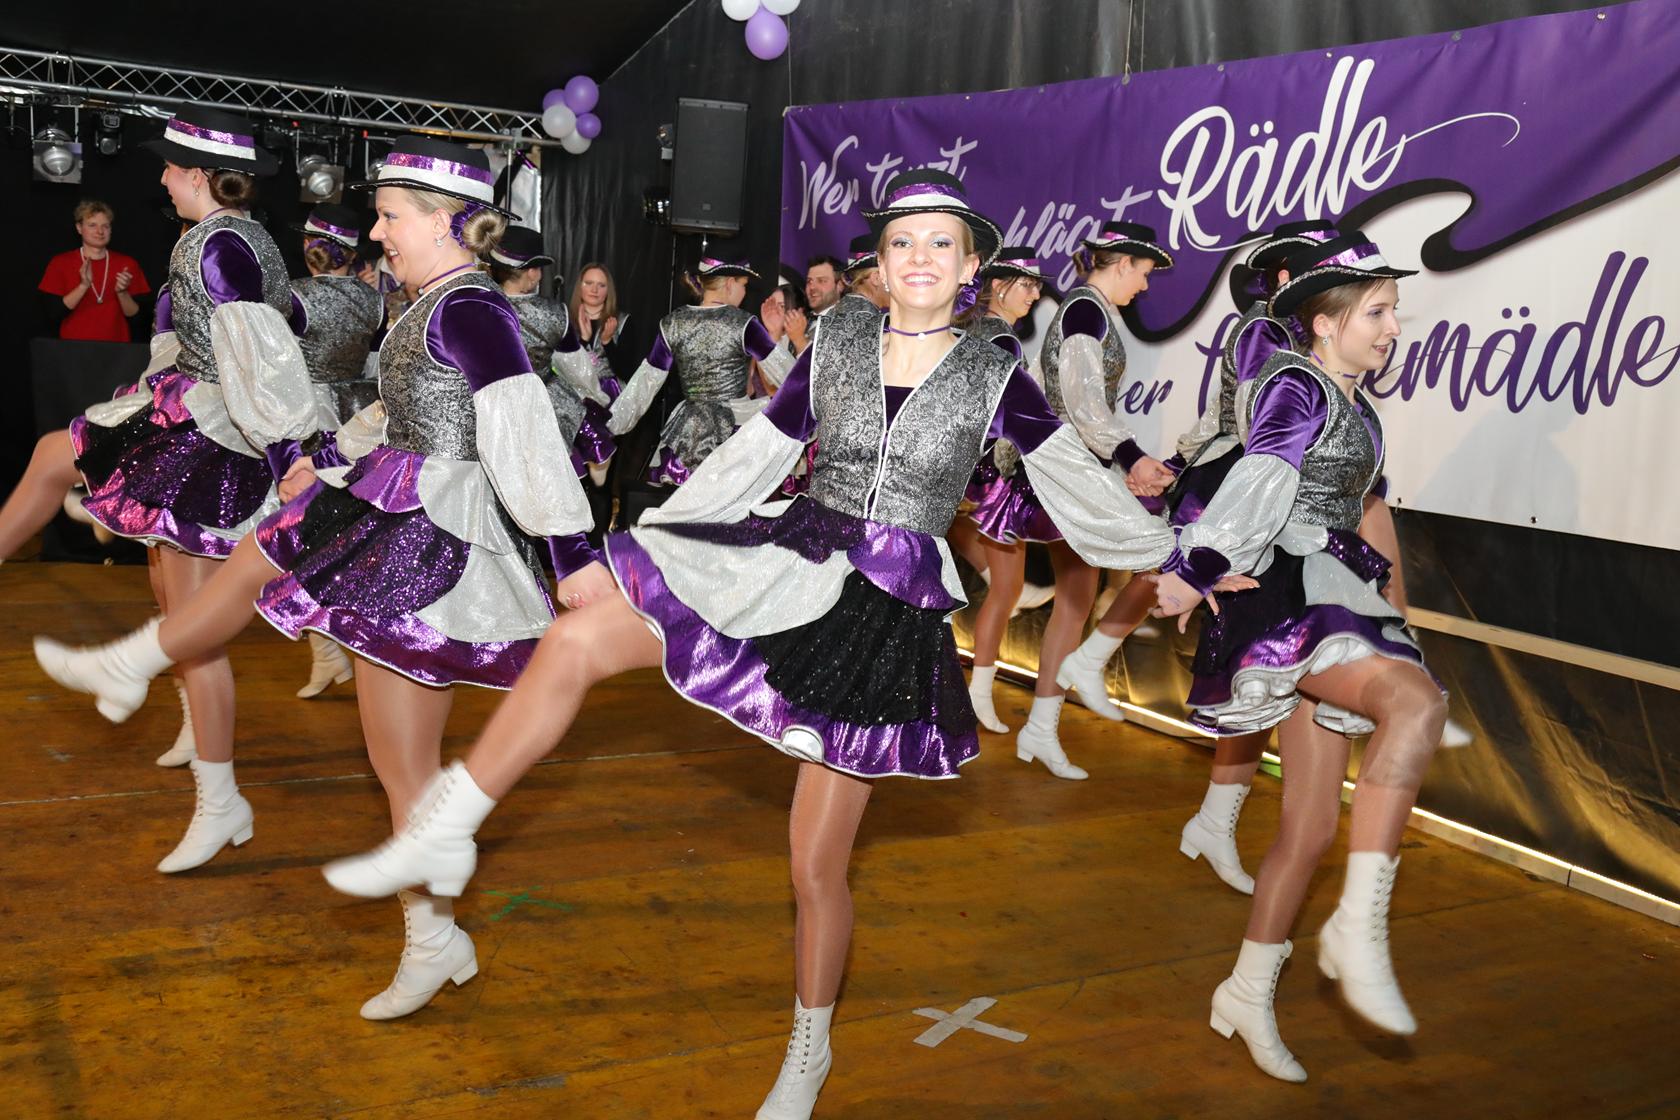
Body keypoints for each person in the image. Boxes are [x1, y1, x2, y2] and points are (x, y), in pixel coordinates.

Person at [314, 168, 1248, 1120]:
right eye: (902, 242)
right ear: (881, 261)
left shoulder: (995, 373)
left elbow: (1072, 479)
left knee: (814, 866)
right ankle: (448, 827)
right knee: (580, 637)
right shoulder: (837, 338)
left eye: (941, 243)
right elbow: (759, 449)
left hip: (882, 612)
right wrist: (668, 537)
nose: (919, 258)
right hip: (792, 553)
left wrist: (1179, 559)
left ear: (971, 267)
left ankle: (810, 1047)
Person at [34, 136, 599, 1022]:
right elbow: (399, 408)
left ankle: (431, 941)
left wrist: (574, 561)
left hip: (434, 537)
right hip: (395, 507)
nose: (376, 233)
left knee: (401, 760)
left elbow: (521, 429)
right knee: (385, 745)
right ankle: (435, 939)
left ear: (445, 223)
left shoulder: (472, 309)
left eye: (390, 216)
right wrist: (324, 453)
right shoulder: (428, 303)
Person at [1152, 232, 1445, 1082]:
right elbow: (1262, 476)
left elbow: (1369, 513)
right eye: (1377, 312)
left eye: (1394, 312)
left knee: (1311, 827)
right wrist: (1194, 569)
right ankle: (1358, 922)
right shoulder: (1295, 383)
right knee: (1416, 705)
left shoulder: (1361, 408)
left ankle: (1246, 991)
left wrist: (1395, 612)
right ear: (1324, 322)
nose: (1393, 328)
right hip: (1283, 598)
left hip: (1337, 594)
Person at [3, 107, 323, 807]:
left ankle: (220, 797)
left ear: (200, 176)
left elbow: (259, 355)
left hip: (209, 437)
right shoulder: (240, 236)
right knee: (171, 603)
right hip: (192, 416)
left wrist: (286, 455)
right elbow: (257, 329)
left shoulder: (218, 245)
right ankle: (207, 768)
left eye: (172, 168)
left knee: (189, 625)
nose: (163, 179)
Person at [1010, 221, 1178, 779]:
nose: (1145, 286)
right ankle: (1078, 676)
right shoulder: (1085, 310)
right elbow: (1081, 402)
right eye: (1144, 273)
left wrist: (1119, 465)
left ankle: (1043, 724)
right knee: (1154, 555)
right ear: (1122, 263)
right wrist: (1130, 459)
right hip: (1069, 467)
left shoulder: (1089, 310)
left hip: (1074, 464)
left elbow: (1062, 396)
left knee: (1077, 600)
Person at [949, 247, 1055, 732]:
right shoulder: (1002, 340)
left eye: (1037, 286)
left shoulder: (972, 331)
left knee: (995, 580)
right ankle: (978, 695)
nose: (1034, 294)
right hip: (991, 474)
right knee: (1007, 589)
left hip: (962, 472)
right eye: (1026, 285)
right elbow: (1009, 420)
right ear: (997, 286)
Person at [285, 200, 386, 702]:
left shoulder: (292, 297)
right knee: (325, 535)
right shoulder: (374, 301)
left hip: (302, 418)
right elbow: (374, 363)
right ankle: (330, 650)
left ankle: (333, 649)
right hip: (352, 417)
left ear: (310, 246)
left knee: (297, 535)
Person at [607, 251, 794, 487]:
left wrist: (612, 423)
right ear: (730, 283)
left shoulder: (673, 323)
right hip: (734, 425)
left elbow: (646, 380)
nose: (744, 292)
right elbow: (788, 373)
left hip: (689, 429)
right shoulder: (744, 324)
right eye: (743, 285)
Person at [39, 199, 151, 342]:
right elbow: (54, 314)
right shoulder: (60, 263)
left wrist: (122, 293)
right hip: (72, 348)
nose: (100, 231)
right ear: (79, 228)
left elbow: (139, 320)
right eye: (92, 225)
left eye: (105, 226)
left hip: (117, 349)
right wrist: (83, 286)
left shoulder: (127, 264)